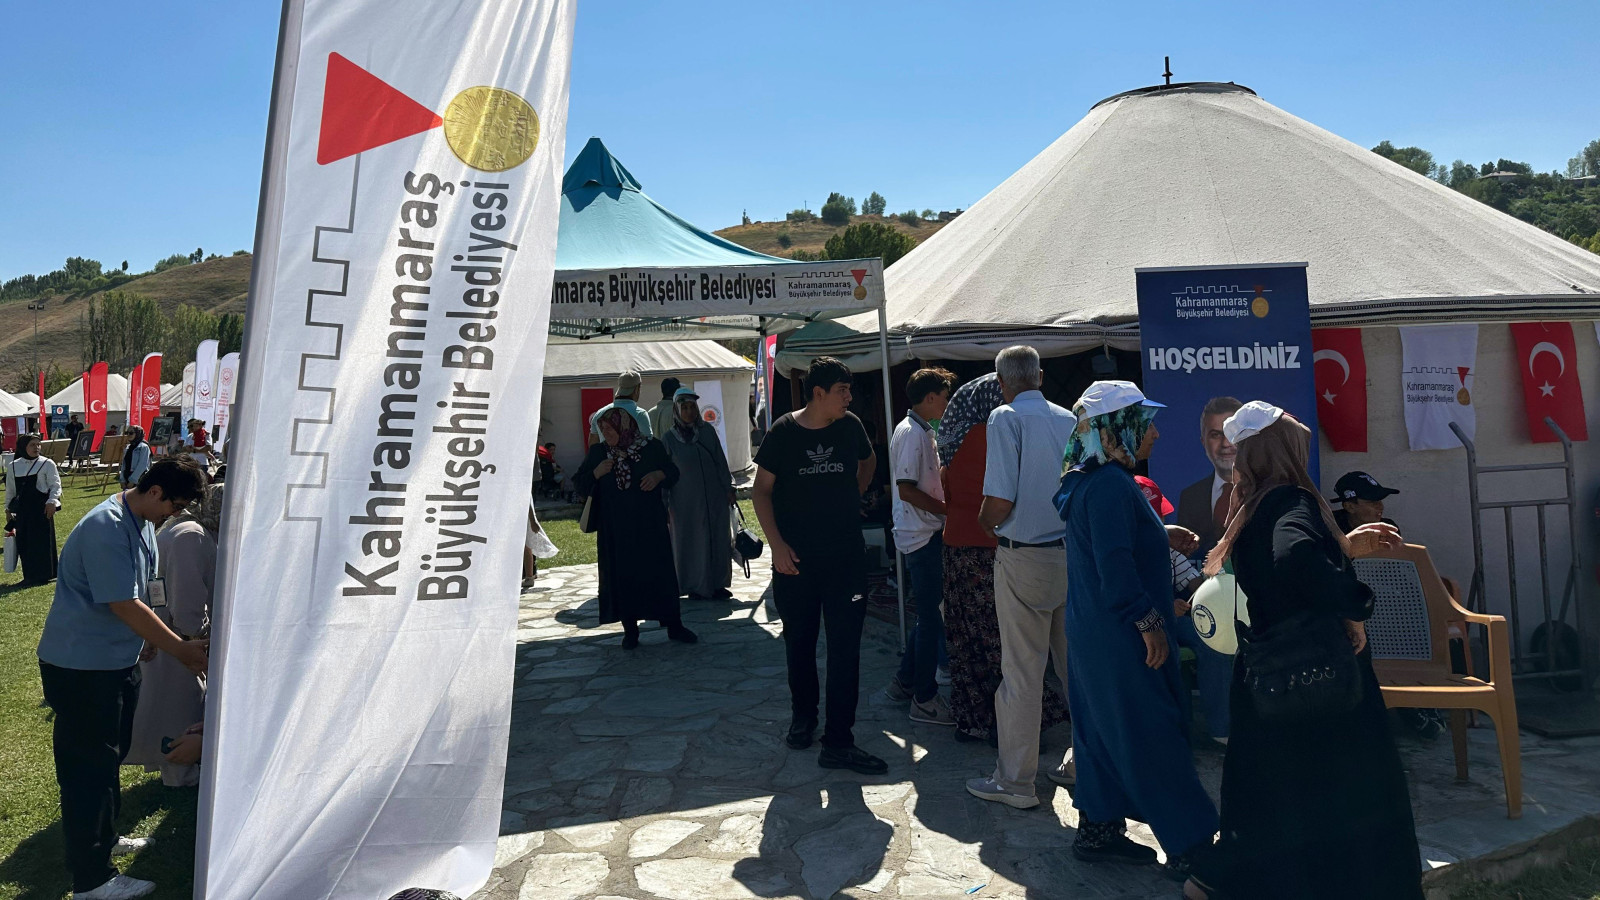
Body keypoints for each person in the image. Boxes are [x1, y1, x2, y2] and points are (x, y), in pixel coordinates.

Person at [1186, 403, 1420, 900]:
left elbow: (1281, 569)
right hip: (1315, 673)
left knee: (1275, 798)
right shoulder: (1291, 500)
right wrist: (1352, 600)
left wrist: (1343, 550)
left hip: (1271, 673)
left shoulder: (1252, 502)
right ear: (1279, 450)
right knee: (1343, 795)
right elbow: (1293, 558)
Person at [1050, 380, 1219, 875]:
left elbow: (1107, 541)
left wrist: (1156, 533)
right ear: (1117, 428)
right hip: (1121, 635)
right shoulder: (1109, 483)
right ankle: (1192, 847)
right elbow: (1115, 565)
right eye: (1146, 424)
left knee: (1101, 731)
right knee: (1150, 734)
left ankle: (1098, 830)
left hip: (1095, 632)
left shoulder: (1089, 479)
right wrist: (1148, 621)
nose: (1156, 434)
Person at [35, 457, 210, 900]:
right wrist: (179, 649)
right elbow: (122, 604)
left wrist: (146, 640)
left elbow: (144, 590)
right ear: (155, 492)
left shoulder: (144, 521)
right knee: (87, 773)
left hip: (115, 663)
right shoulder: (107, 526)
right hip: (81, 668)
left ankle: (106, 837)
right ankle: (91, 881)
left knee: (108, 759)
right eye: (174, 505)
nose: (174, 514)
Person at [752, 356, 886, 775]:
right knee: (800, 643)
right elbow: (760, 492)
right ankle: (803, 718)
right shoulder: (783, 432)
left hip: (845, 558)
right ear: (818, 393)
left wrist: (855, 493)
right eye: (842, 391)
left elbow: (868, 461)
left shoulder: (851, 427)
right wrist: (776, 546)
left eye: (849, 390)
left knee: (845, 650)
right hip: (796, 562)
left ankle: (839, 742)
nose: (849, 398)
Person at [965, 346, 1079, 810]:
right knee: (1076, 670)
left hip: (1024, 556)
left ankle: (1015, 782)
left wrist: (984, 524)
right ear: (1041, 376)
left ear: (1001, 383)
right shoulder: (1068, 418)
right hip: (1069, 555)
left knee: (1022, 674)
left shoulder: (1004, 418)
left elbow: (1000, 499)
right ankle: (1087, 763)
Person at [935, 374, 1069, 745]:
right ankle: (1014, 724)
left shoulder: (953, 439)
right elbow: (1006, 496)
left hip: (957, 550)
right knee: (1008, 645)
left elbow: (947, 489)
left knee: (967, 639)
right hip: (995, 548)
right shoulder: (997, 431)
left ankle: (973, 721)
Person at [573, 408, 694, 649]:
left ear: (624, 427)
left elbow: (673, 472)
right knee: (624, 578)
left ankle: (674, 625)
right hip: (616, 530)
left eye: (610, 429)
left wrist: (659, 475)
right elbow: (579, 484)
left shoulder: (651, 447)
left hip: (650, 526)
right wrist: (596, 473)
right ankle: (630, 630)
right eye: (603, 429)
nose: (606, 434)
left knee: (659, 574)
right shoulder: (599, 453)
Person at [128, 484, 222, 787]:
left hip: (165, 630)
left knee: (164, 702)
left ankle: (171, 765)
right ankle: (180, 771)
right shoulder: (192, 536)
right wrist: (198, 637)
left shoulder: (186, 529)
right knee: (181, 704)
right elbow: (187, 597)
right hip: (177, 636)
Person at [884, 367, 956, 725]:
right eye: (944, 396)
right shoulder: (913, 433)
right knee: (930, 618)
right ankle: (924, 698)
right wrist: (948, 511)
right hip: (921, 534)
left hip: (921, 531)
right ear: (929, 397)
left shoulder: (916, 429)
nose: (947, 403)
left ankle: (904, 681)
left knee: (928, 613)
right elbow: (907, 489)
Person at [1137, 475, 1231, 744]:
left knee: (1213, 641)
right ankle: (1175, 731)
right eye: (1153, 515)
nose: (1161, 520)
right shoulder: (1123, 547)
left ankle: (1221, 730)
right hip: (1137, 625)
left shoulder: (1169, 548)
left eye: (1161, 514)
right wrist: (1165, 605)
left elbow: (1194, 585)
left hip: (1173, 621)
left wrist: (1213, 590)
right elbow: (1125, 594)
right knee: (1166, 653)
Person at [662, 387, 736, 602]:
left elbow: (720, 461)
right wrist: (664, 504)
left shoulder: (707, 432)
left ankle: (718, 584)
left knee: (718, 539)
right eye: (684, 408)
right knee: (691, 541)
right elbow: (665, 474)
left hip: (714, 497)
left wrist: (728, 488)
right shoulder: (669, 438)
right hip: (685, 501)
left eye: (692, 407)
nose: (689, 412)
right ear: (677, 410)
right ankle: (694, 585)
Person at [1176, 396, 1243, 556]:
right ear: (1203, 442)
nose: (1226, 443)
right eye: (1216, 435)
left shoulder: (1263, 491)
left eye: (1232, 434)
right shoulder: (1190, 497)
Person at [6, 433, 62, 585]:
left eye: (38, 444)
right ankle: (29, 575)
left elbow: (55, 485)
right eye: (32, 445)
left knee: (41, 541)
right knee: (24, 541)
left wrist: (52, 501)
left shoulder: (47, 463)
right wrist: (8, 509)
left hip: (41, 509)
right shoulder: (13, 466)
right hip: (23, 510)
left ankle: (45, 574)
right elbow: (11, 490)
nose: (36, 447)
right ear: (23, 447)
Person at [587, 370, 653, 444]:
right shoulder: (640, 414)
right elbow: (648, 443)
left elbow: (592, 444)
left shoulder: (599, 414)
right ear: (637, 389)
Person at [1330, 470, 1401, 533]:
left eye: (1380, 500)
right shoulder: (1328, 528)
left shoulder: (1388, 529)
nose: (1380, 506)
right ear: (1350, 507)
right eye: (1372, 501)